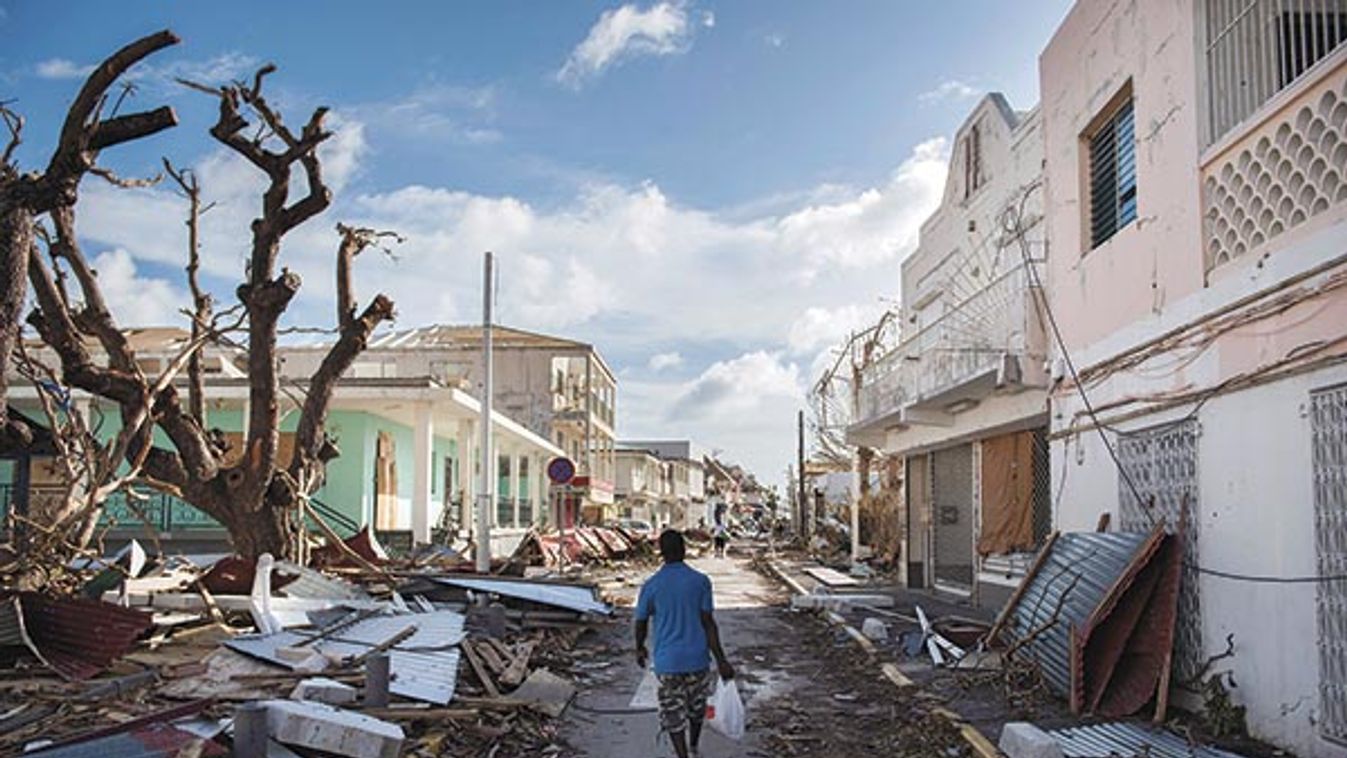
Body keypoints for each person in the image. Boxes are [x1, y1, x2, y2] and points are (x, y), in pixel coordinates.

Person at [635, 530, 735, 758]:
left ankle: (682, 755)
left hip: (667, 662)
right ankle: (693, 745)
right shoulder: (700, 581)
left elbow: (640, 621)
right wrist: (721, 660)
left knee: (672, 713)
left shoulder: (651, 585)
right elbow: (709, 623)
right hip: (697, 659)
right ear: (684, 550)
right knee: (696, 708)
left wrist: (639, 647)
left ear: (661, 552)